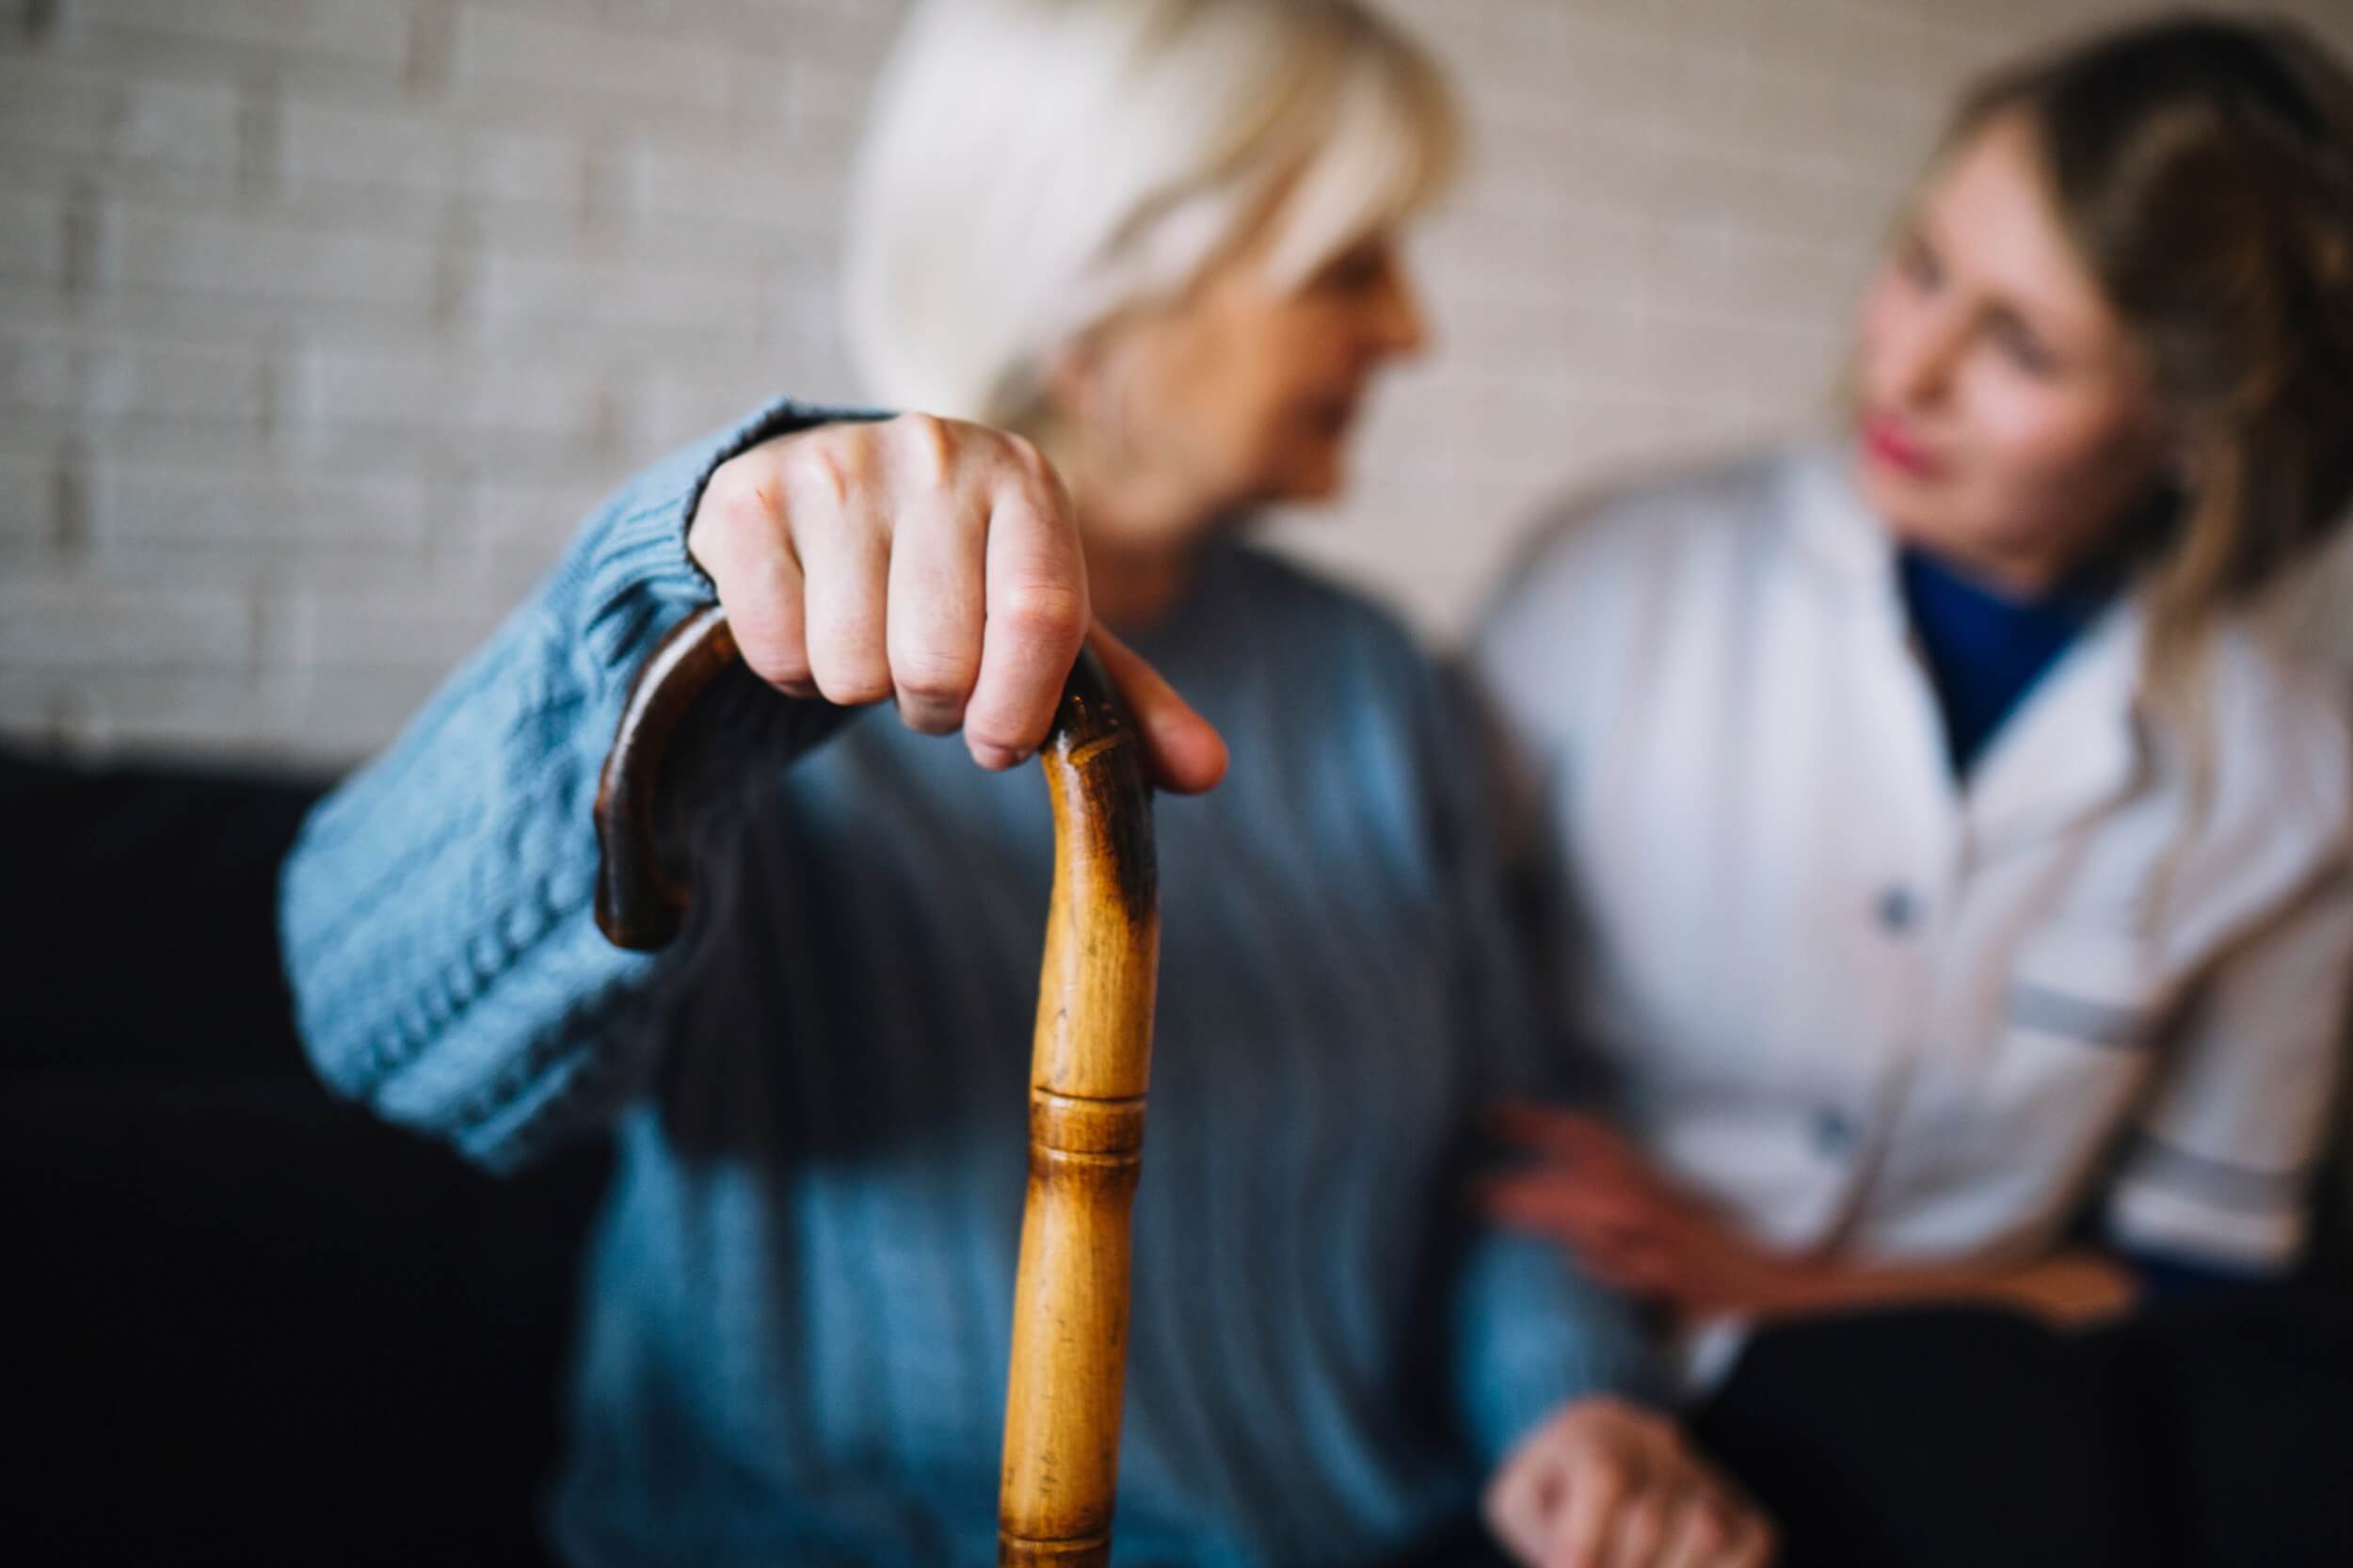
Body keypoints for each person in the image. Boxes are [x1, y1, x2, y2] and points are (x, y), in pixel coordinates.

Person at [280, 3, 1770, 1565]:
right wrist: (688, 615)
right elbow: (381, 1028)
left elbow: (1506, 1146)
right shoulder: (775, 652)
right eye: (1347, 267)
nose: (1409, 330)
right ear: (1102, 296)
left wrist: (1568, 1404)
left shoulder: (1374, 683)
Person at [1470, 14, 2353, 1567]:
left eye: (2023, 347)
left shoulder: (2290, 779)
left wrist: (1767, 1285)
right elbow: (1409, 1019)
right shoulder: (1611, 582)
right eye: (1922, 265)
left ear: (2189, 428)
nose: (1907, 364)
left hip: (1967, 1400)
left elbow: (2194, 1265)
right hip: (1555, 1364)